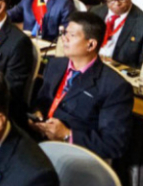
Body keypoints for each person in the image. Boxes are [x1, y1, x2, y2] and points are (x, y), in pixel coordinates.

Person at [30, 11, 133, 160]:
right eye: (65, 33)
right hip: (37, 142)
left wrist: (67, 135)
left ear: (91, 44)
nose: (64, 38)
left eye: (72, 35)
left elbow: (114, 144)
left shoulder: (114, 87)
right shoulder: (55, 65)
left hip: (72, 156)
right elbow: (41, 101)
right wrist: (37, 115)